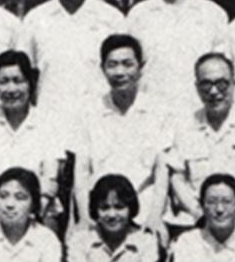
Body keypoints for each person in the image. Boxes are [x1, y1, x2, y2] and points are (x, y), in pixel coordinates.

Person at [72, 34, 170, 240]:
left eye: (127, 64)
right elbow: (81, 171)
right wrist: (84, 218)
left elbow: (162, 171)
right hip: (101, 214)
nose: (119, 72)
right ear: (102, 69)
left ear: (141, 67)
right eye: (112, 65)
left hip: (143, 215)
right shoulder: (88, 111)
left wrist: (155, 217)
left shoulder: (160, 111)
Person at [125, 0, 229, 110]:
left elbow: (222, 76)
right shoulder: (138, 15)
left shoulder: (213, 15)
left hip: (197, 116)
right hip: (150, 115)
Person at [19, 0, 124, 112]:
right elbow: (23, 77)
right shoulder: (35, 19)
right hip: (50, 120)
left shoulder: (112, 19)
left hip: (99, 120)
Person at [165, 52, 235, 233]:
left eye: (221, 84)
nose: (213, 92)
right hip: (196, 223)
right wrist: (198, 211)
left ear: (234, 84)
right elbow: (177, 177)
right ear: (197, 87)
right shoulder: (185, 128)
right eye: (206, 84)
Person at [0, 51, 62, 226]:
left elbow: (50, 181)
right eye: (3, 82)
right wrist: (29, 188)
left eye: (18, 81)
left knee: (46, 235)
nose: (11, 89)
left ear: (30, 84)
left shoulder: (48, 123)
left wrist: (34, 206)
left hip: (38, 207)